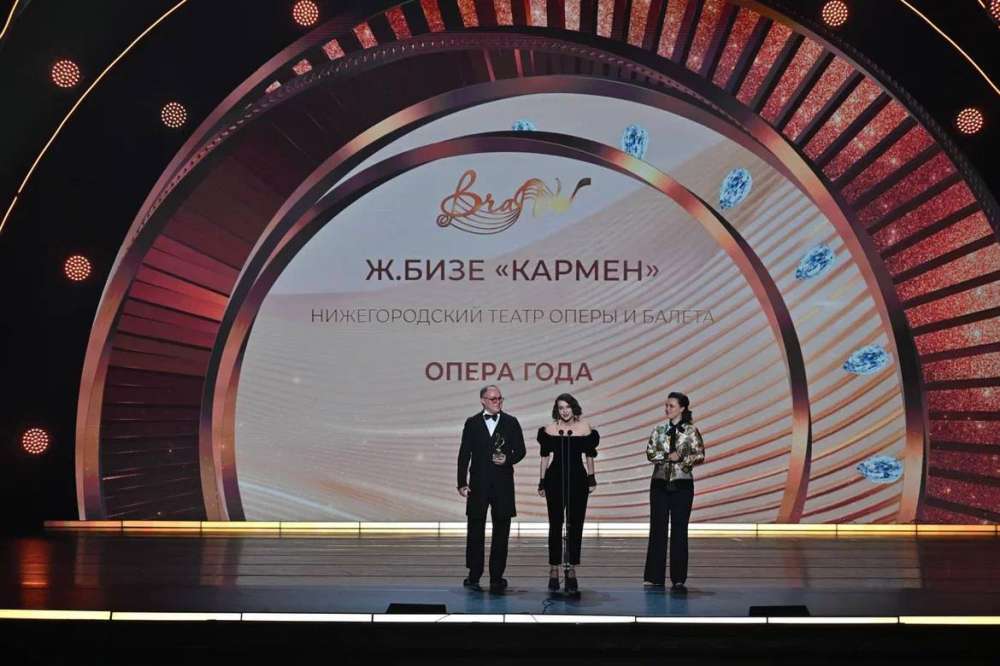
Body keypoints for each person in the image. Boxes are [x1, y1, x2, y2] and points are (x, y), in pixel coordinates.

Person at [457, 384, 526, 594]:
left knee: (502, 532)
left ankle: (497, 577)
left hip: (503, 485)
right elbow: (464, 454)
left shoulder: (511, 422)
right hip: (478, 485)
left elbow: (521, 451)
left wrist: (508, 459)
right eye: (493, 399)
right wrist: (461, 482)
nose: (498, 402)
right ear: (483, 400)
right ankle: (474, 574)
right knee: (475, 530)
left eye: (500, 398)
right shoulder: (472, 423)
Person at [643, 392, 705, 593]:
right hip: (659, 483)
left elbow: (700, 455)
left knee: (679, 530)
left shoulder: (691, 431)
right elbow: (650, 453)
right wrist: (667, 456)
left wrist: (683, 458)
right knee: (657, 529)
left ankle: (678, 578)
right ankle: (654, 577)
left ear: (682, 408)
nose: (667, 409)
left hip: (682, 485)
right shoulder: (659, 430)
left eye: (671, 406)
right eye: (666, 405)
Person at [536, 393, 598, 594]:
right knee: (555, 524)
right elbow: (545, 457)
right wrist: (542, 481)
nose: (564, 411)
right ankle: (553, 568)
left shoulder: (585, 428)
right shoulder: (549, 429)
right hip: (555, 479)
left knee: (575, 524)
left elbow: (589, 455)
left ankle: (571, 568)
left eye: (567, 407)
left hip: (578, 480)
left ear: (574, 408)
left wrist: (591, 478)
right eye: (561, 407)